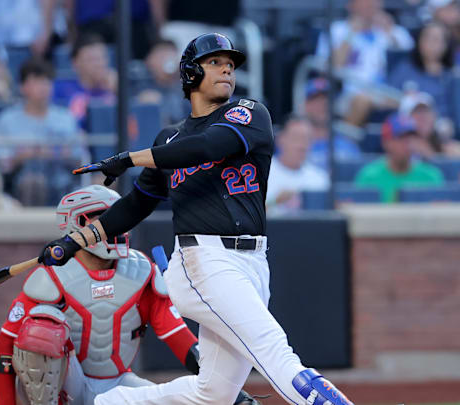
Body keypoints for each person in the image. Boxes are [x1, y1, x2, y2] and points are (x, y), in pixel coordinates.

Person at [38, 32, 354, 405]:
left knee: (214, 393)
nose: (226, 70)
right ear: (190, 73)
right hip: (204, 262)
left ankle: (107, 403)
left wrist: (130, 158)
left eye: (230, 64)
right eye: (215, 62)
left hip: (253, 262)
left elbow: (208, 145)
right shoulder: (168, 141)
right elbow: (137, 204)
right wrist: (75, 240)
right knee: (276, 354)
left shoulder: (250, 113)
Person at [0, 185, 260, 405]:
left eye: (118, 216)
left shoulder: (141, 273)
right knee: (41, 325)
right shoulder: (50, 278)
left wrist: (224, 388)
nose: (114, 225)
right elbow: (4, 351)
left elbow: (179, 338)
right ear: (75, 224)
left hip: (117, 385)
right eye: (103, 218)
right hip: (64, 391)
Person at [0, 58, 87, 206]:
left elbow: (80, 156)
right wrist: (22, 156)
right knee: (33, 182)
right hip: (21, 177)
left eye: (46, 81)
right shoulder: (6, 119)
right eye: (36, 81)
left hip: (62, 175)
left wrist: (58, 153)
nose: (43, 87)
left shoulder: (66, 117)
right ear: (23, 87)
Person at [328, 0, 413, 127]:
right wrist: (351, 33)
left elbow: (414, 58)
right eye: (364, 3)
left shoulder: (391, 30)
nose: (369, 6)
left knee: (416, 103)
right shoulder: (338, 29)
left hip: (387, 92)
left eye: (374, 3)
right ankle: (345, 143)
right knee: (362, 99)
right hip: (349, 94)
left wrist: (389, 30)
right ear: (351, 5)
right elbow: (334, 66)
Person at [354, 114, 444, 203]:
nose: (407, 143)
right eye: (401, 138)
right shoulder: (369, 177)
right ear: (386, 142)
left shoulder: (431, 176)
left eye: (411, 137)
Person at [388, 22, 454, 118]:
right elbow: (387, 97)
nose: (431, 44)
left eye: (436, 40)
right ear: (419, 41)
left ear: (445, 45)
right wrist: (405, 100)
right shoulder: (404, 69)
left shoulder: (451, 77)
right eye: (427, 38)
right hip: (406, 126)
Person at [53, 33, 116, 132]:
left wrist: (117, 91)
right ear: (75, 63)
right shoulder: (60, 89)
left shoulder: (115, 87)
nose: (99, 64)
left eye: (102, 58)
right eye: (92, 59)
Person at [267, 116, 329, 213]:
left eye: (307, 139)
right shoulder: (261, 173)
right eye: (296, 138)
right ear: (280, 139)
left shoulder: (320, 178)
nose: (302, 145)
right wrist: (275, 201)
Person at [301, 77, 361, 172]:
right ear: (305, 105)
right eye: (315, 99)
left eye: (328, 99)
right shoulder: (293, 144)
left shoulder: (348, 146)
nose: (323, 104)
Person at [399, 91, 460, 159]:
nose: (423, 117)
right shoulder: (399, 146)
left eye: (426, 111)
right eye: (417, 112)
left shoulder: (445, 144)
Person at [136, 39, 190, 125]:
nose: (165, 61)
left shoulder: (188, 86)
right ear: (149, 60)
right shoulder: (139, 82)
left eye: (169, 56)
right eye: (161, 56)